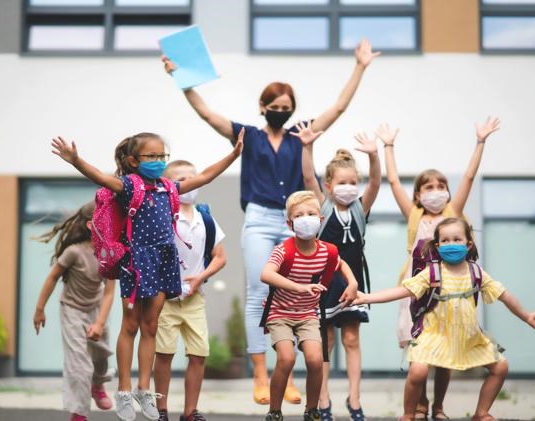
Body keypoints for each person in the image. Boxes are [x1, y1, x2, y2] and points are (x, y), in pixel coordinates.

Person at [163, 39, 380, 406]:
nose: (281, 111)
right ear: (262, 108)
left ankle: (287, 372)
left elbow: (339, 107)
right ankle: (260, 375)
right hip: (260, 219)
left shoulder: (301, 134)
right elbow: (207, 114)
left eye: (287, 107)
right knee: (258, 292)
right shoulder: (247, 135)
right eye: (275, 107)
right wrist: (182, 79)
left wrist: (360, 66)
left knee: (300, 294)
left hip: (296, 220)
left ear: (293, 109)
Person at [51, 130, 243, 421]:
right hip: (136, 260)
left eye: (161, 156)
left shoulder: (168, 187)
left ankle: (144, 389)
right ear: (132, 160)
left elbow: (205, 176)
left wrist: (232, 156)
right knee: (131, 324)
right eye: (150, 156)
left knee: (151, 326)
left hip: (164, 260)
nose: (157, 161)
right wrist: (76, 160)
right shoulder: (130, 185)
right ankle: (124, 390)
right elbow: (102, 179)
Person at [353, 217, 535, 421]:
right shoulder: (432, 273)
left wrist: (526, 316)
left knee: (501, 367)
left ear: (468, 243)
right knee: (417, 372)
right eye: (445, 240)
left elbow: (504, 295)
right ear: (437, 245)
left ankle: (481, 413)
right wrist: (366, 297)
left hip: (467, 336)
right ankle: (408, 415)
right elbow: (402, 291)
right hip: (433, 334)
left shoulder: (476, 272)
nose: (451, 244)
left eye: (456, 239)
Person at [376, 117, 500, 420]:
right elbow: (392, 182)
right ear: (418, 195)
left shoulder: (452, 214)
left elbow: (469, 177)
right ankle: (419, 402)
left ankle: (438, 406)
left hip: (451, 290)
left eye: (441, 186)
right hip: (417, 289)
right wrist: (388, 147)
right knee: (419, 349)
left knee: (447, 350)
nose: (436, 191)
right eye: (428, 187)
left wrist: (480, 142)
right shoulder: (414, 215)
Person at [293, 121, 380, 421]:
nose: (349, 187)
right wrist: (307, 146)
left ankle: (354, 399)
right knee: (325, 342)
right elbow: (307, 175)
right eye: (342, 182)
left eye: (353, 182)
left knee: (352, 339)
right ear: (329, 186)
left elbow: (376, 184)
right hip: (324, 282)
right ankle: (323, 397)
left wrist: (373, 156)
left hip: (353, 282)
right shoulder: (322, 205)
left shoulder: (359, 207)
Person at [260, 190, 358, 421]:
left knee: (316, 360)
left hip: (307, 314)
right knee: (287, 358)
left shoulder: (327, 251)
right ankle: (275, 410)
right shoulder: (283, 250)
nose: (306, 218)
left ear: (320, 220)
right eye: (299, 214)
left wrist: (352, 283)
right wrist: (298, 287)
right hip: (279, 313)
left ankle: (312, 409)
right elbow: (266, 273)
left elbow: (341, 264)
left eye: (311, 213)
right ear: (290, 223)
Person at [153, 160, 227, 421]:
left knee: (198, 354)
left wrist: (200, 278)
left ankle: (189, 412)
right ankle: (161, 411)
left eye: (192, 177)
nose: (188, 183)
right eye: (181, 179)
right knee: (163, 354)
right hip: (164, 299)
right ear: (169, 184)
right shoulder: (162, 215)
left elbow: (220, 256)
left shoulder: (205, 218)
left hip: (195, 298)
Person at [33, 201, 115, 421]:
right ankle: (79, 413)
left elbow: (109, 291)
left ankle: (97, 385)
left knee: (101, 357)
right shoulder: (73, 252)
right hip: (71, 309)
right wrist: (40, 309)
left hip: (96, 309)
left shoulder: (108, 251)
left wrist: (99, 323)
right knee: (79, 365)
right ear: (91, 225)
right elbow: (52, 277)